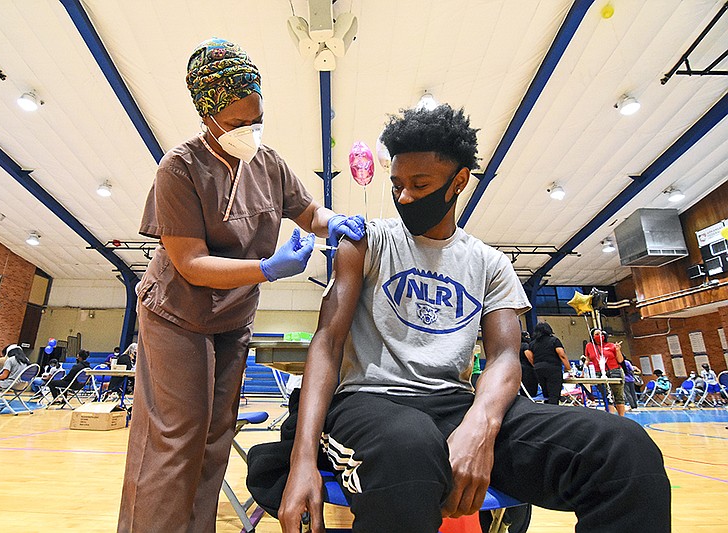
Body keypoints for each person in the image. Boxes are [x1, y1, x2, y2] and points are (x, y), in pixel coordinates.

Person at [266, 105, 670, 532]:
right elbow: (327, 342)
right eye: (397, 184)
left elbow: (504, 359)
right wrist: (302, 460)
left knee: (624, 450)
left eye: (420, 185)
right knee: (409, 450)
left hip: (455, 404)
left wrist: (481, 424)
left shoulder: (490, 264)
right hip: (369, 403)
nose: (404, 197)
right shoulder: (367, 241)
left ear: (458, 182)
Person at [117, 38, 366, 533]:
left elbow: (306, 210)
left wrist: (333, 221)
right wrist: (266, 269)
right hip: (177, 314)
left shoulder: (266, 162)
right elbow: (189, 262)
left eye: (256, 120)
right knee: (175, 437)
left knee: (215, 435)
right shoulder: (180, 168)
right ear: (207, 116)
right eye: (236, 124)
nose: (249, 132)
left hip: (232, 317)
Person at [524, 322, 571, 405]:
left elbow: (528, 354)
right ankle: (554, 413)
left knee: (546, 394)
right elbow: (561, 354)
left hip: (538, 369)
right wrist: (568, 368)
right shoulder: (554, 340)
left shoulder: (532, 343)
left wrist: (535, 364)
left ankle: (546, 412)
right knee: (554, 394)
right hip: (553, 368)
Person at [585, 329, 626, 415]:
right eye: (597, 334)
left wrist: (618, 350)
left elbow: (620, 360)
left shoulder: (611, 345)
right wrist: (584, 369)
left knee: (618, 396)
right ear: (592, 336)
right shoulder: (589, 346)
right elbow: (588, 359)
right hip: (599, 373)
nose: (600, 335)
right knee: (606, 396)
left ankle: (622, 417)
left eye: (601, 333)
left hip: (615, 371)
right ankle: (611, 416)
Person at [517, 331, 537, 398]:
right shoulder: (525, 345)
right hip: (527, 370)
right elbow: (529, 357)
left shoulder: (517, 346)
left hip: (519, 368)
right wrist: (535, 365)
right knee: (530, 389)